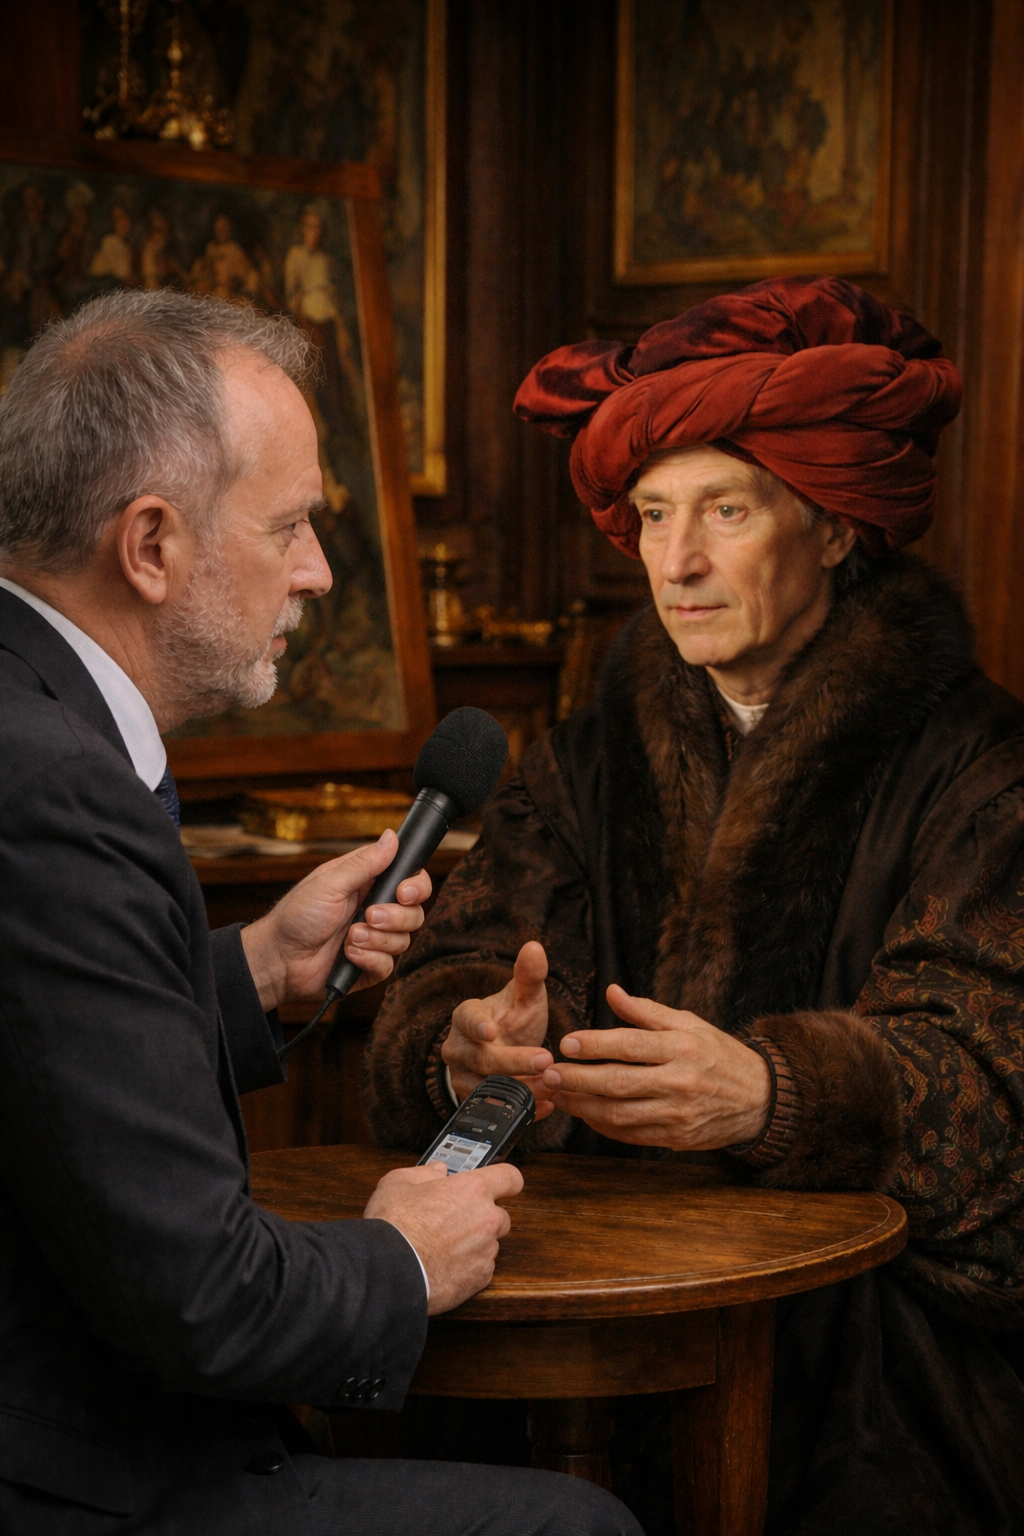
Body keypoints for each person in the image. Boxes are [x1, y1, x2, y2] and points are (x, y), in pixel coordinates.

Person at [366, 276, 1024, 1536]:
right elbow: (457, 968)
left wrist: (776, 1096)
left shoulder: (982, 767)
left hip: (872, 1358)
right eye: (656, 513)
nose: (677, 561)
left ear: (833, 529)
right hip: (574, 1305)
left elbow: (994, 1085)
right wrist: (462, 1047)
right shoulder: (581, 754)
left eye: (726, 509)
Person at [0, 288, 642, 1536]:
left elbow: (38, 1030)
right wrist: (400, 1254)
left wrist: (251, 970)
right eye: (291, 523)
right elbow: (205, 1305)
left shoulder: (31, 717)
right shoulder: (55, 787)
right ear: (152, 545)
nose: (320, 571)